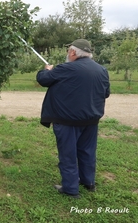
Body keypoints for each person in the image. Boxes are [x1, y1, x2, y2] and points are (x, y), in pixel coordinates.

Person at [36, 39, 110, 199]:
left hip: (67, 121)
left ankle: (70, 188)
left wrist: (47, 70)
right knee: (87, 152)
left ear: (73, 52)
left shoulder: (65, 68)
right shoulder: (102, 70)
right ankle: (88, 182)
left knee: (68, 155)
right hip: (91, 121)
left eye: (68, 50)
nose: (68, 53)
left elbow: (43, 80)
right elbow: (106, 93)